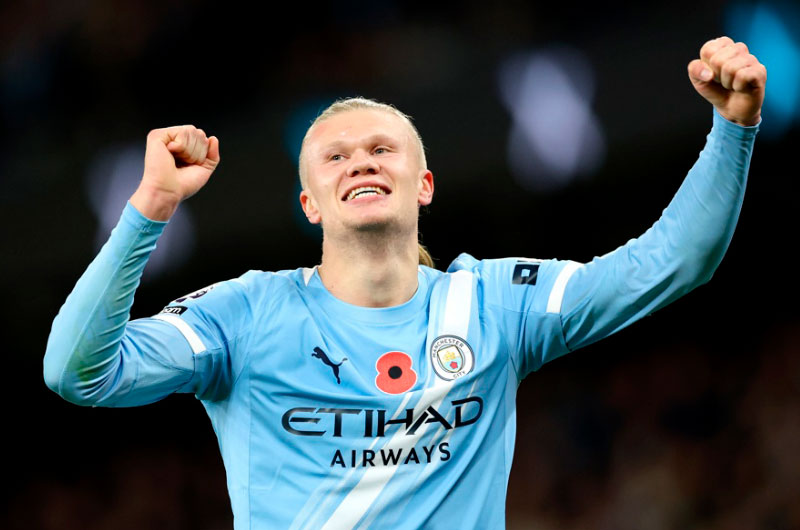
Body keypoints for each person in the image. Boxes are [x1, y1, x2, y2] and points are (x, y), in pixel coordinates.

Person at [44, 36, 765, 529]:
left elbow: (671, 262)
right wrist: (151, 207)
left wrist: (733, 129)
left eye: (382, 149)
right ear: (309, 204)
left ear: (423, 185)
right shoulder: (245, 314)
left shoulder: (493, 305)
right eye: (335, 158)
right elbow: (78, 372)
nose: (361, 162)